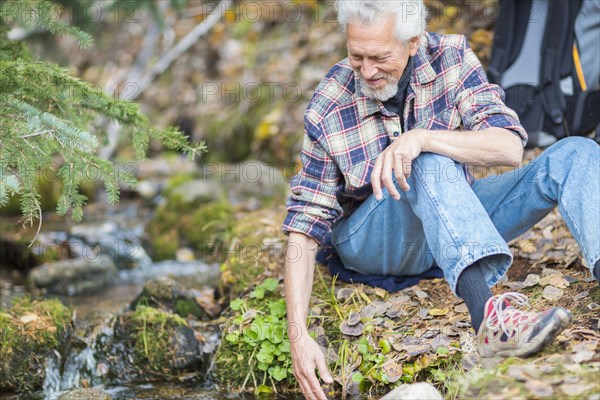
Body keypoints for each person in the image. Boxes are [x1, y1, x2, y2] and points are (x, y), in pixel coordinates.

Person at [281, 1, 600, 399]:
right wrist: (298, 335)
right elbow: (303, 226)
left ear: (414, 41)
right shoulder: (330, 101)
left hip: (452, 216)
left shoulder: (451, 56)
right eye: (356, 55)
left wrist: (422, 137)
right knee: (426, 162)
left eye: (380, 57)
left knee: (577, 153)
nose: (366, 70)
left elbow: (508, 147)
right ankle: (490, 320)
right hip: (375, 240)